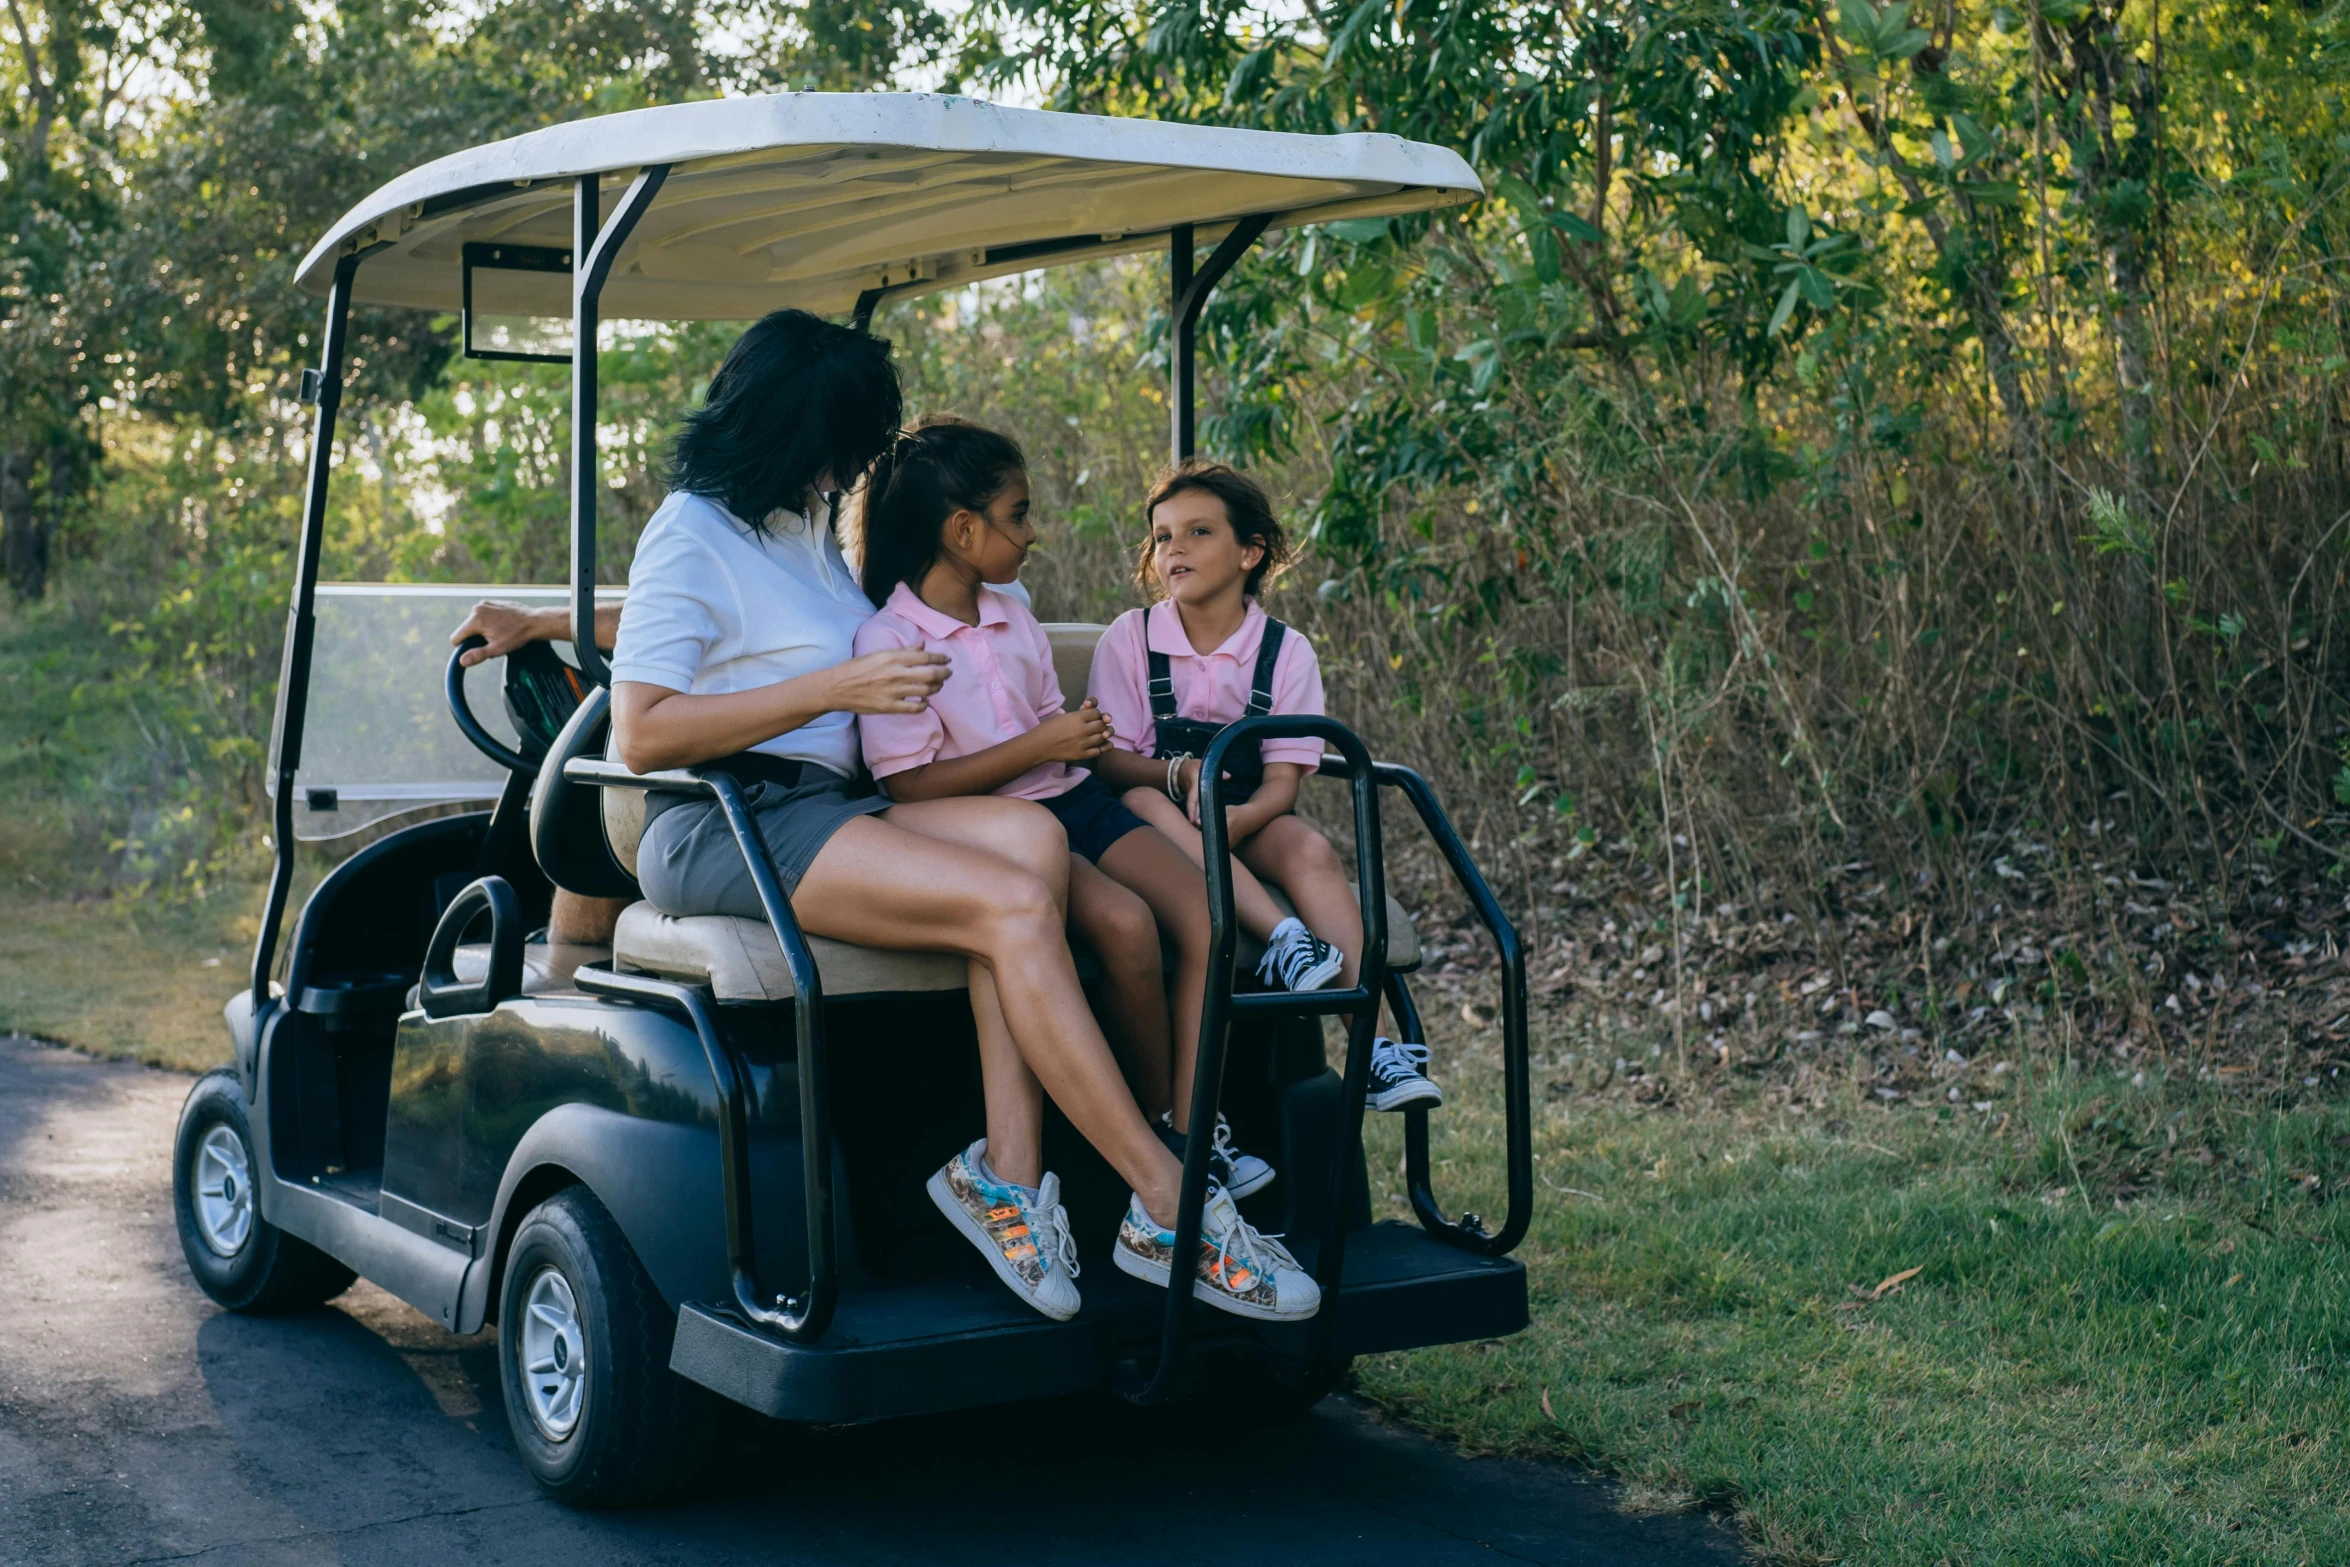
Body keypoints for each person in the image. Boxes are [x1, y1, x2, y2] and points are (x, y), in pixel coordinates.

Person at [591, 310, 1315, 1329]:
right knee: (1009, 906)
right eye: (845, 445)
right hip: (732, 816)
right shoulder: (693, 527)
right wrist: (838, 685)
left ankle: (1006, 1176)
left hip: (833, 807)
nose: (852, 469)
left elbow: (727, 635)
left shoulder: (798, 534)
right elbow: (645, 729)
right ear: (800, 430)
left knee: (1029, 849)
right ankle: (1168, 1202)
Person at [850, 416, 1277, 1210]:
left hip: (1072, 798)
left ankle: (1189, 1125)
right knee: (1126, 928)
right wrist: (1045, 740)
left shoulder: (1012, 609)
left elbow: (1052, 728)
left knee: (1202, 911)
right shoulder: (892, 636)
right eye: (1018, 515)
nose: (1033, 532)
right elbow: (911, 786)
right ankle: (1154, 1138)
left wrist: (1084, 736)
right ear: (963, 529)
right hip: (1002, 828)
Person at [1088, 461, 1444, 1113]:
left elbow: (1282, 784)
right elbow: (1111, 762)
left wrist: (1240, 819)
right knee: (1141, 801)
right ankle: (1282, 937)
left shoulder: (1285, 651)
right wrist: (1179, 776)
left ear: (1250, 552)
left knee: (1308, 848)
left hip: (1246, 815)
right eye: (1163, 536)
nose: (1175, 549)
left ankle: (1375, 1049)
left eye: (1198, 532)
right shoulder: (1130, 640)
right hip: (1154, 825)